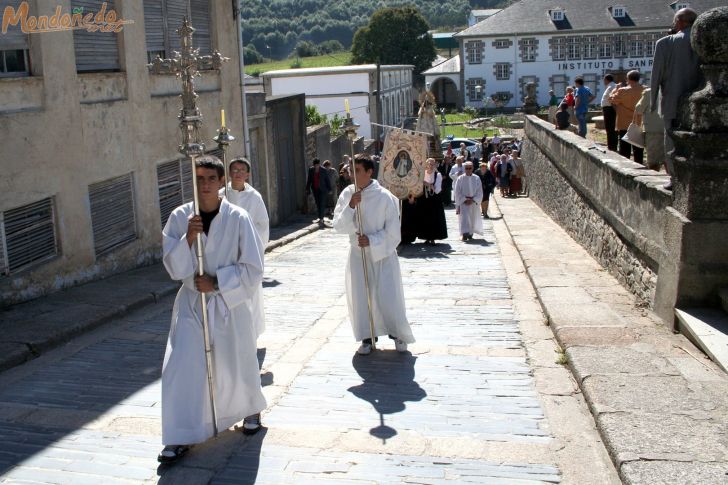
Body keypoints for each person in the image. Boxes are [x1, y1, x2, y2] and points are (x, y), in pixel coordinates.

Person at [158, 155, 266, 464]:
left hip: (229, 305)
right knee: (182, 365)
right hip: (192, 305)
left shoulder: (238, 217)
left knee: (237, 360)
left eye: (210, 179)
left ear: (221, 183)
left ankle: (248, 408)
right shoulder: (180, 217)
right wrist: (188, 238)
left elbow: (254, 268)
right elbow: (173, 266)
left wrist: (218, 282)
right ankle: (181, 433)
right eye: (198, 179)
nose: (204, 185)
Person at [333, 156, 415, 355]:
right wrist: (351, 206)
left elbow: (394, 232)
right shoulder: (347, 194)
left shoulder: (385, 197)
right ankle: (367, 336)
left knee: (388, 294)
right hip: (358, 255)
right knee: (362, 296)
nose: (353, 175)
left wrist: (371, 240)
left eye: (358, 170)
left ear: (369, 172)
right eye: (351, 170)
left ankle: (397, 334)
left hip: (383, 255)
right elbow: (338, 225)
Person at [651, 7, 700, 190]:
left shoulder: (666, 43)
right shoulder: (703, 41)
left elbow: (656, 76)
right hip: (699, 102)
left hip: (672, 100)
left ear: (679, 22)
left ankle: (674, 179)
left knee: (671, 141)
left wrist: (653, 102)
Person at [220, 157, 269, 339]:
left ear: (247, 174)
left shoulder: (254, 197)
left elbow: (262, 225)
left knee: (250, 294)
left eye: (242, 170)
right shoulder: (221, 196)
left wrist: (250, 247)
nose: (238, 173)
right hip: (225, 256)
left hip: (247, 254)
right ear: (229, 173)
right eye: (235, 169)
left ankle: (251, 334)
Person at [610, 70, 644, 164]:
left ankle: (625, 166)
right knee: (638, 147)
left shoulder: (622, 91)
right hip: (639, 121)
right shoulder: (645, 90)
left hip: (624, 122)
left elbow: (611, 99)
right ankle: (639, 164)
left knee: (624, 148)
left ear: (628, 79)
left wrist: (615, 89)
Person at [417, 158, 448, 245]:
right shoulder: (423, 174)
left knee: (434, 218)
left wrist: (428, 185)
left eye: (432, 164)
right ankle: (426, 237)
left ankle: (433, 237)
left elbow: (437, 189)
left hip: (434, 200)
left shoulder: (437, 175)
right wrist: (427, 185)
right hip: (424, 199)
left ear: (435, 165)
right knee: (425, 217)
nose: (430, 166)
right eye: (429, 164)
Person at [634, 88, 665, 171]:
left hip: (653, 129)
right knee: (667, 158)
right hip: (669, 128)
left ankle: (654, 178)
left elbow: (639, 109)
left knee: (653, 159)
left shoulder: (649, 92)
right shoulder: (674, 90)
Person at [453, 161, 483, 241]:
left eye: (470, 168)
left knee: (472, 218)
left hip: (473, 202)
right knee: (464, 218)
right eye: (466, 168)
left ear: (472, 168)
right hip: (464, 202)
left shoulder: (476, 178)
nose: (468, 170)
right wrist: (464, 199)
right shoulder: (460, 178)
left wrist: (473, 200)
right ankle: (464, 234)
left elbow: (479, 191)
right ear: (464, 169)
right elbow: (457, 191)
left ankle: (470, 233)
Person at [306, 158, 332, 226]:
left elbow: (327, 180)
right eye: (315, 165)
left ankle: (321, 218)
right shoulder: (311, 170)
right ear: (313, 165)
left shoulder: (323, 170)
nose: (316, 166)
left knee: (322, 203)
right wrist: (307, 188)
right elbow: (309, 180)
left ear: (319, 164)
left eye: (317, 165)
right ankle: (319, 217)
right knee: (317, 203)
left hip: (323, 190)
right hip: (315, 189)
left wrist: (329, 189)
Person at [601, 74, 619, 151]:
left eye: (604, 80)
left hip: (610, 109)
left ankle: (612, 146)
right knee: (609, 128)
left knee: (610, 128)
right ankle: (611, 145)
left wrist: (616, 110)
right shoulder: (610, 86)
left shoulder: (612, 86)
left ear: (606, 80)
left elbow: (612, 99)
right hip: (608, 109)